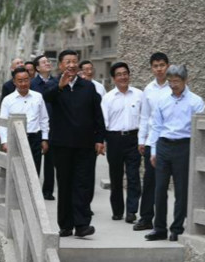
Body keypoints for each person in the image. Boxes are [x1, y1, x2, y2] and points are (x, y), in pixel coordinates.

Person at [44, 49, 106, 238]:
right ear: (60, 65)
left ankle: (82, 225)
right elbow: (46, 98)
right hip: (62, 144)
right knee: (64, 184)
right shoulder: (53, 85)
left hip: (85, 145)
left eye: (74, 61)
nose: (71, 65)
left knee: (83, 184)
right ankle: (65, 225)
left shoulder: (88, 87)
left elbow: (98, 114)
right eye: (67, 62)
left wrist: (99, 139)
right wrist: (60, 86)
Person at [145, 65, 205, 242]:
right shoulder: (163, 100)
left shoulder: (196, 102)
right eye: (170, 81)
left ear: (186, 80)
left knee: (181, 189)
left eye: (176, 81)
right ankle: (159, 228)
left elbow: (199, 130)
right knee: (159, 188)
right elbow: (156, 126)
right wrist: (153, 150)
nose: (173, 85)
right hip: (164, 144)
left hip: (184, 146)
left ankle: (177, 228)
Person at [133, 51, 171, 231]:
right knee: (149, 181)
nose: (159, 69)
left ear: (167, 66)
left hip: (170, 139)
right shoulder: (148, 89)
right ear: (151, 68)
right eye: (155, 66)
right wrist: (142, 140)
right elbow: (144, 116)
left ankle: (168, 221)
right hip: (152, 142)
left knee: (166, 184)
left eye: (162, 65)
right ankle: (146, 217)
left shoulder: (174, 87)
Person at [101, 61, 143, 223]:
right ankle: (117, 210)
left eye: (125, 73)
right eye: (119, 75)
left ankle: (132, 211)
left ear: (129, 75)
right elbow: (104, 121)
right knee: (116, 176)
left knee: (133, 176)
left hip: (134, 138)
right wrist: (102, 141)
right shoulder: (108, 98)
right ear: (113, 78)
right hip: (114, 139)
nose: (123, 77)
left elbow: (145, 118)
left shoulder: (139, 95)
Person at [0, 67, 49, 174]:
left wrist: (44, 139)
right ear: (14, 82)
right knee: (17, 172)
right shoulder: (8, 100)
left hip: (35, 138)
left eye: (26, 80)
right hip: (15, 139)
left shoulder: (38, 97)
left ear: (30, 80)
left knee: (34, 171)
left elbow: (44, 119)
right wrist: (4, 141)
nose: (23, 83)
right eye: (20, 81)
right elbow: (3, 122)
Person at [31, 54, 57, 200]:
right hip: (37, 126)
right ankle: (33, 191)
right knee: (35, 161)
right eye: (44, 62)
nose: (47, 63)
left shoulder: (57, 82)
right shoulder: (32, 84)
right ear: (37, 68)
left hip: (53, 126)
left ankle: (48, 191)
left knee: (50, 161)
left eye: (48, 61)